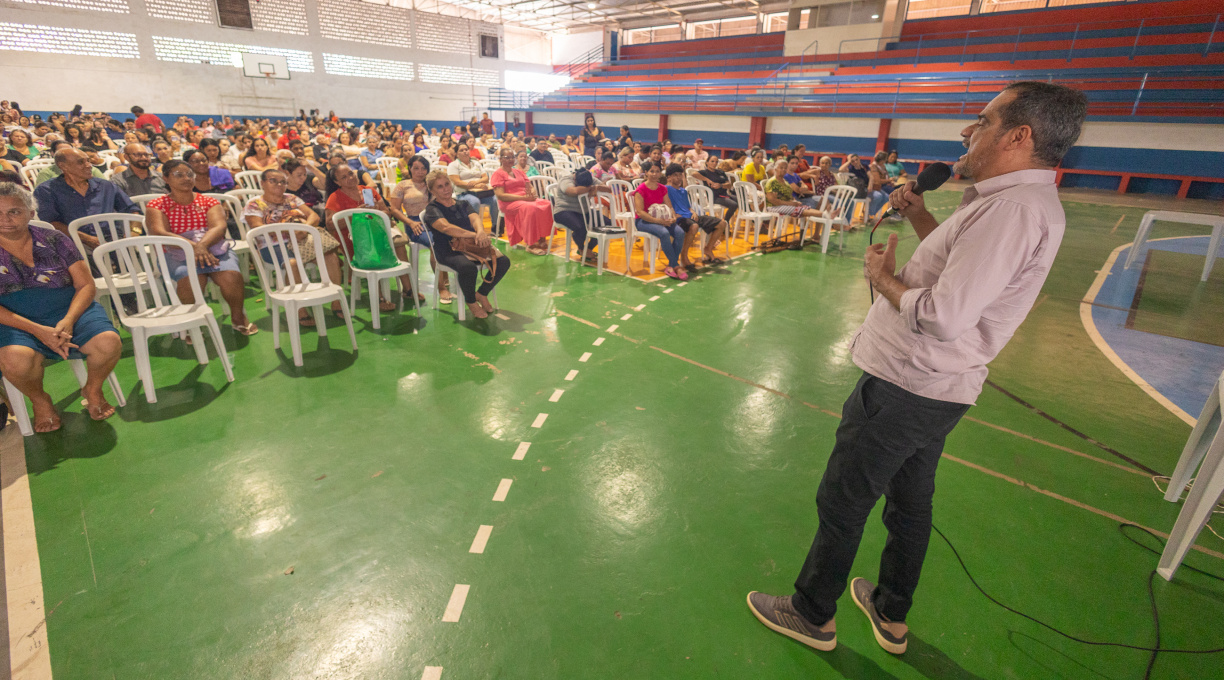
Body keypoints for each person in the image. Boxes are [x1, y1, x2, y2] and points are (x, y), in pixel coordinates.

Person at [747, 81, 1088, 656]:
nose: (966, 131)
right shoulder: (1018, 204)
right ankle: (890, 612)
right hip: (941, 388)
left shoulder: (1009, 210)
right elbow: (968, 280)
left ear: (1019, 136)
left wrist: (883, 279)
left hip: (908, 383)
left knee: (844, 500)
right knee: (910, 501)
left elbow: (946, 315)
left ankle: (811, 613)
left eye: (982, 121)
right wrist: (925, 218)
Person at [0, 183, 123, 430]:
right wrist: (38, 330)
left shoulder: (55, 238)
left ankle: (93, 388)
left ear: (31, 212)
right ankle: (40, 400)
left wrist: (67, 320)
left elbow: (86, 285)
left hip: (69, 309)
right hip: (16, 319)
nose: (5, 220)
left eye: (14, 211)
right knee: (15, 360)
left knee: (108, 342)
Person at [145, 159, 257, 335]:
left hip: (212, 246)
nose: (186, 178)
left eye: (190, 174)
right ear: (165, 178)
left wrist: (202, 246)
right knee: (192, 277)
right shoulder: (156, 205)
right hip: (176, 250)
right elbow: (159, 232)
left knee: (231, 276)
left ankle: (238, 317)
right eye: (178, 175)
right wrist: (193, 247)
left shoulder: (209, 201)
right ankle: (193, 324)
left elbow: (219, 227)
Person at [242, 167, 346, 325]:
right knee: (293, 263)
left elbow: (313, 216)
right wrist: (291, 231)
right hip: (273, 245)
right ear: (262, 183)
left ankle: (336, 301)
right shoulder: (255, 204)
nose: (279, 184)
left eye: (283, 181)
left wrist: (304, 230)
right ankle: (300, 309)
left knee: (330, 256)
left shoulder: (291, 198)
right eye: (273, 181)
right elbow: (259, 228)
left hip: (301, 239)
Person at [422, 168, 511, 320]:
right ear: (432, 190)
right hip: (447, 250)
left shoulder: (462, 203)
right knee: (467, 268)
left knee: (503, 261)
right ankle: (471, 302)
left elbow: (475, 218)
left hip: (471, 245)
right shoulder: (432, 209)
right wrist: (476, 235)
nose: (446, 189)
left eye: (447, 184)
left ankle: (481, 293)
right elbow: (447, 228)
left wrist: (481, 231)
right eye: (440, 187)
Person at [34, 148, 138, 250]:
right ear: (63, 166)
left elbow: (131, 209)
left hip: (114, 240)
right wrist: (86, 239)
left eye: (88, 160)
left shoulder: (105, 186)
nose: (89, 165)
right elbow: (51, 223)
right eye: (81, 162)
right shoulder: (47, 190)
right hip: (74, 244)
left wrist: (134, 231)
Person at [389, 155, 448, 304]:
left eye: (423, 168)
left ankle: (445, 274)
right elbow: (394, 209)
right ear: (409, 168)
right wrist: (410, 223)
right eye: (416, 168)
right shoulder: (403, 185)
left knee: (449, 237)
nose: (420, 172)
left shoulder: (431, 184)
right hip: (414, 222)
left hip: (434, 219)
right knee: (435, 243)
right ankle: (441, 287)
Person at [631, 161, 688, 280]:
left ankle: (672, 265)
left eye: (657, 171)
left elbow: (669, 206)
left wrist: (672, 217)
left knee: (680, 232)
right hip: (643, 221)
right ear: (646, 173)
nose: (655, 174)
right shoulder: (641, 189)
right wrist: (659, 221)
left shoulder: (662, 188)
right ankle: (676, 265)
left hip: (661, 220)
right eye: (652, 171)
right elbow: (640, 212)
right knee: (664, 233)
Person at [491, 147, 552, 255]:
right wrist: (524, 198)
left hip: (525, 199)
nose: (511, 159)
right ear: (501, 159)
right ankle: (530, 244)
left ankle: (542, 238)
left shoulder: (518, 171)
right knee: (530, 208)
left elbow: (529, 185)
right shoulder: (498, 174)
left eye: (512, 157)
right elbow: (500, 195)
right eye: (507, 157)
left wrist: (533, 193)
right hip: (509, 202)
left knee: (546, 204)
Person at [665, 163, 726, 266]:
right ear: (669, 177)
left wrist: (693, 212)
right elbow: (666, 206)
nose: (679, 177)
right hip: (680, 219)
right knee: (694, 226)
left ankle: (708, 249)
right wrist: (674, 215)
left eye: (680, 174)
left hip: (690, 216)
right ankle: (684, 256)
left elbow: (688, 207)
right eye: (675, 175)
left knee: (722, 223)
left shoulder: (683, 191)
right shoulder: (666, 189)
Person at [551, 167, 607, 266]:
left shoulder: (588, 177)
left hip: (583, 212)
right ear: (575, 179)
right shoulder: (566, 180)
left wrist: (597, 187)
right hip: (564, 211)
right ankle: (581, 248)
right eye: (583, 186)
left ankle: (588, 249)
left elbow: (608, 188)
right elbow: (574, 191)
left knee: (606, 223)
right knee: (581, 228)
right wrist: (591, 188)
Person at [447, 143, 499, 230]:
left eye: (466, 150)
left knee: (494, 200)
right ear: (456, 153)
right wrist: (477, 185)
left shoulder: (476, 163)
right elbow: (457, 182)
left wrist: (476, 183)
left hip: (480, 193)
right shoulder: (453, 165)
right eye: (461, 150)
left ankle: (495, 226)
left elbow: (485, 178)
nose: (465, 152)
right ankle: (474, 228)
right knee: (474, 202)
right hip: (463, 193)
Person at [762, 160, 826, 224]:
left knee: (805, 208)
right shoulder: (772, 182)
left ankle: (824, 216)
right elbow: (772, 200)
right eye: (781, 168)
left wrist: (794, 201)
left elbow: (789, 196)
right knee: (802, 210)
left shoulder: (785, 181)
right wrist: (790, 203)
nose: (783, 170)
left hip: (786, 205)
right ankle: (825, 214)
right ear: (775, 169)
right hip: (774, 207)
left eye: (785, 168)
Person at [697, 154, 738, 225]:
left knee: (740, 200)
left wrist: (721, 185)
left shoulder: (720, 172)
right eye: (712, 161)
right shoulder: (705, 172)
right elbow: (692, 173)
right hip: (714, 197)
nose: (714, 163)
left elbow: (729, 185)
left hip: (724, 195)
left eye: (716, 162)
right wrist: (707, 179)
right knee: (733, 204)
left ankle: (725, 221)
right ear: (707, 162)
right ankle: (725, 222)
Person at [867, 151, 895, 221]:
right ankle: (869, 214)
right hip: (873, 187)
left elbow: (886, 177)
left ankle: (872, 213)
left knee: (886, 197)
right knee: (879, 196)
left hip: (879, 187)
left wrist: (890, 181)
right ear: (882, 160)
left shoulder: (882, 166)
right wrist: (889, 180)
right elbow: (877, 181)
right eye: (885, 159)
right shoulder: (873, 167)